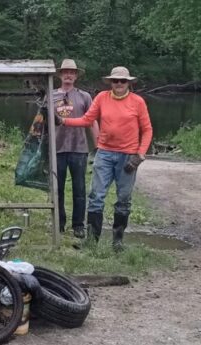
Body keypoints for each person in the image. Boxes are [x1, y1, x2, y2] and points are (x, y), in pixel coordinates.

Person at [60, 66, 153, 251]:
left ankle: (117, 241)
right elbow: (87, 120)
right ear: (110, 82)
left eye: (122, 81)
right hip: (104, 153)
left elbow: (147, 129)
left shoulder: (138, 101)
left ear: (129, 83)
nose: (119, 84)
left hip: (128, 156)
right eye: (115, 81)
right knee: (96, 196)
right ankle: (92, 240)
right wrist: (63, 121)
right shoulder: (102, 97)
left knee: (124, 199)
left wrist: (140, 154)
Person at [53, 59, 99, 239]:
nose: (68, 75)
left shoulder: (85, 96)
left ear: (76, 75)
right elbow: (42, 123)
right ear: (60, 74)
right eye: (65, 72)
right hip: (57, 149)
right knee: (58, 189)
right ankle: (60, 223)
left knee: (79, 190)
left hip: (79, 149)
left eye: (72, 72)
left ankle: (78, 225)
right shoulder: (51, 95)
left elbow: (92, 121)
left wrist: (98, 145)